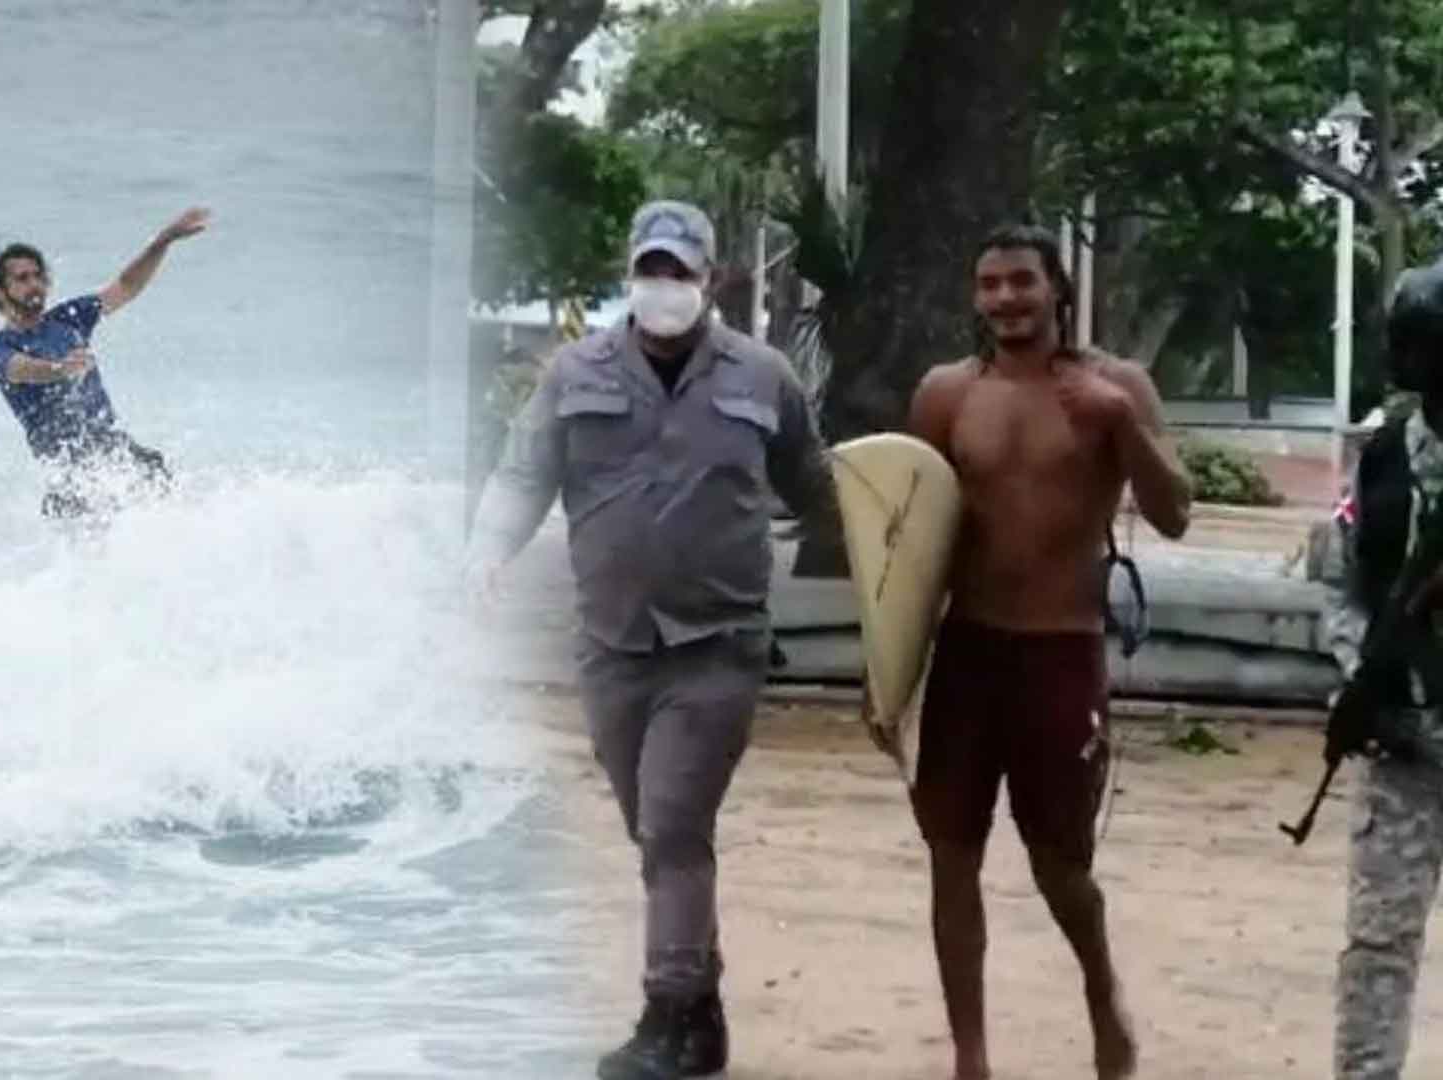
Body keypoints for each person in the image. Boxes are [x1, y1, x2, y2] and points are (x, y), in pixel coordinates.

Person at [465, 200, 830, 1080]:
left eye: (681, 272)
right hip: (611, 643)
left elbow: (818, 486)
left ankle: (665, 1018)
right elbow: (524, 474)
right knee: (656, 831)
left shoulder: (763, 374)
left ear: (710, 281)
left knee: (671, 825)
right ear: (633, 274)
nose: (665, 287)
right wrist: (486, 551)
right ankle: (702, 1022)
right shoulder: (572, 372)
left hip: (719, 643)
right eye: (652, 270)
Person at [901, 223, 1191, 1080]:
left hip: (1061, 653)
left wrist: (1124, 428)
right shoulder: (946, 394)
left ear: (1056, 289)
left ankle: (1102, 995)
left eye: (1021, 282)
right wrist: (890, 676)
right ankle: (971, 1055)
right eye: (989, 285)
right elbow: (907, 542)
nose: (1005, 300)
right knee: (951, 857)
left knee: (1062, 865)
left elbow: (1175, 511)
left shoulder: (1117, 387)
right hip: (967, 650)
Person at [1327, 254, 1443, 1079]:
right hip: (1404, 745)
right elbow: (1342, 582)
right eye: (1401, 342)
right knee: (1377, 947)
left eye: (1422, 343)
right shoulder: (1385, 455)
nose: (1404, 360)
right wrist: (1361, 678)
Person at [0, 207, 210, 519]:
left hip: (114, 452)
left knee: (158, 475)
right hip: (69, 473)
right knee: (89, 550)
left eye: (38, 276)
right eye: (22, 279)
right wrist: (58, 369)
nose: (34, 284)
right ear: (1, 291)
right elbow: (22, 369)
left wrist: (163, 242)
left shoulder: (69, 319)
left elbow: (126, 286)